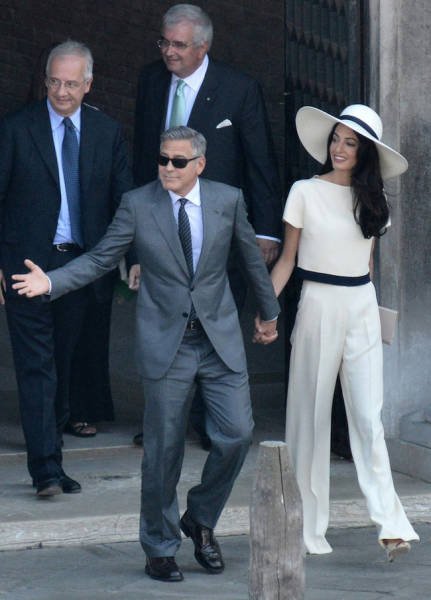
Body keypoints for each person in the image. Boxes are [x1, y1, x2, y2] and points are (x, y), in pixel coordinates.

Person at [12, 126, 280, 581]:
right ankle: (159, 545)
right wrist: (52, 281)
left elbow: (251, 261)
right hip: (167, 344)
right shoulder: (138, 204)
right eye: (162, 159)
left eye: (178, 161)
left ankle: (200, 518)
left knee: (237, 435)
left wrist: (269, 312)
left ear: (200, 164)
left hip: (218, 340)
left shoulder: (227, 199)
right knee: (163, 451)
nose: (168, 168)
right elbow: (101, 258)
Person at [269, 104, 419, 560]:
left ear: (364, 152)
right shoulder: (304, 192)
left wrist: (371, 313)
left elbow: (367, 265)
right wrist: (268, 311)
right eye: (336, 139)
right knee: (309, 416)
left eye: (349, 143)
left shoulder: (374, 201)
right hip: (317, 302)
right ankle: (305, 527)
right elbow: (288, 260)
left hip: (361, 305)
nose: (338, 148)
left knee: (369, 417)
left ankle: (391, 524)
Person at [131, 2, 282, 447]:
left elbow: (260, 161)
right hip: (162, 223)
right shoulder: (151, 80)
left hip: (216, 229)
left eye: (179, 45)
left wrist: (266, 229)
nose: (169, 52)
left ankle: (209, 421)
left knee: (212, 326)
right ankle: (165, 419)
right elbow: (143, 155)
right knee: (165, 323)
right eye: (164, 42)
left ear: (203, 46)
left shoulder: (239, 89)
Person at [0, 40, 132, 497]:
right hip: (26, 264)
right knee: (37, 366)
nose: (61, 91)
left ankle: (52, 456)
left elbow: (124, 202)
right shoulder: (16, 128)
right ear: (45, 80)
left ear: (88, 84)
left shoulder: (107, 132)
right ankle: (45, 470)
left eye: (71, 84)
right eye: (54, 82)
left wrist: (131, 259)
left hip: (80, 266)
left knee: (63, 361)